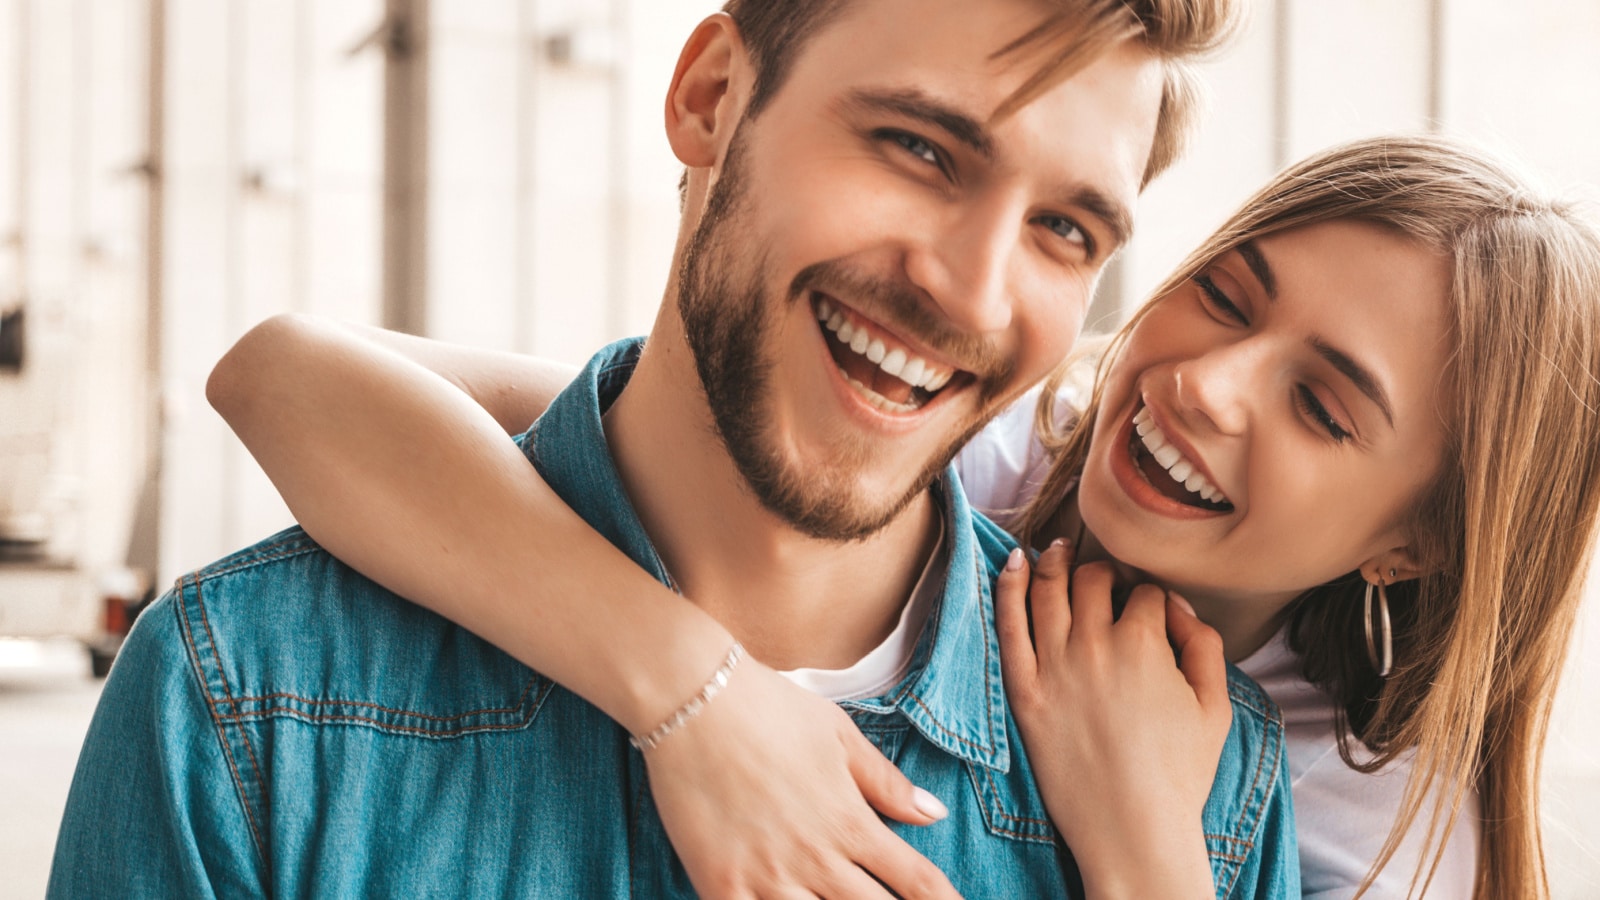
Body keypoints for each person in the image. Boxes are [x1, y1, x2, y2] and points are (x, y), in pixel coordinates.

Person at [51, 1, 1297, 898]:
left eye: (1067, 230)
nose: (971, 294)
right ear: (710, 99)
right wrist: (690, 689)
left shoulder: (1195, 797)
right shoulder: (247, 700)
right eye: (919, 148)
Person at [203, 134, 1600, 898]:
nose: (1209, 385)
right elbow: (292, 381)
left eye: (1324, 408)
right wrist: (697, 694)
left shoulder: (1371, 826)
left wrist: (1143, 849)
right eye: (1228, 296)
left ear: (1409, 546)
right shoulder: (968, 458)